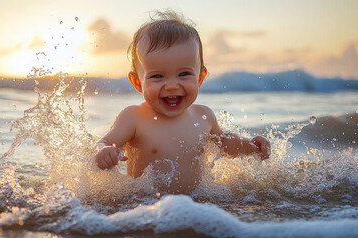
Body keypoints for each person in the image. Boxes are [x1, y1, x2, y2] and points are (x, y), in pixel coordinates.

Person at [92, 10, 270, 194]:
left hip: (196, 205)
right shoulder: (133, 117)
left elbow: (226, 145)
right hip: (146, 208)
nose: (171, 85)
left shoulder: (204, 116)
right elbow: (102, 142)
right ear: (138, 82)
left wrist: (251, 146)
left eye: (184, 74)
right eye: (157, 76)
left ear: (200, 78)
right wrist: (103, 151)